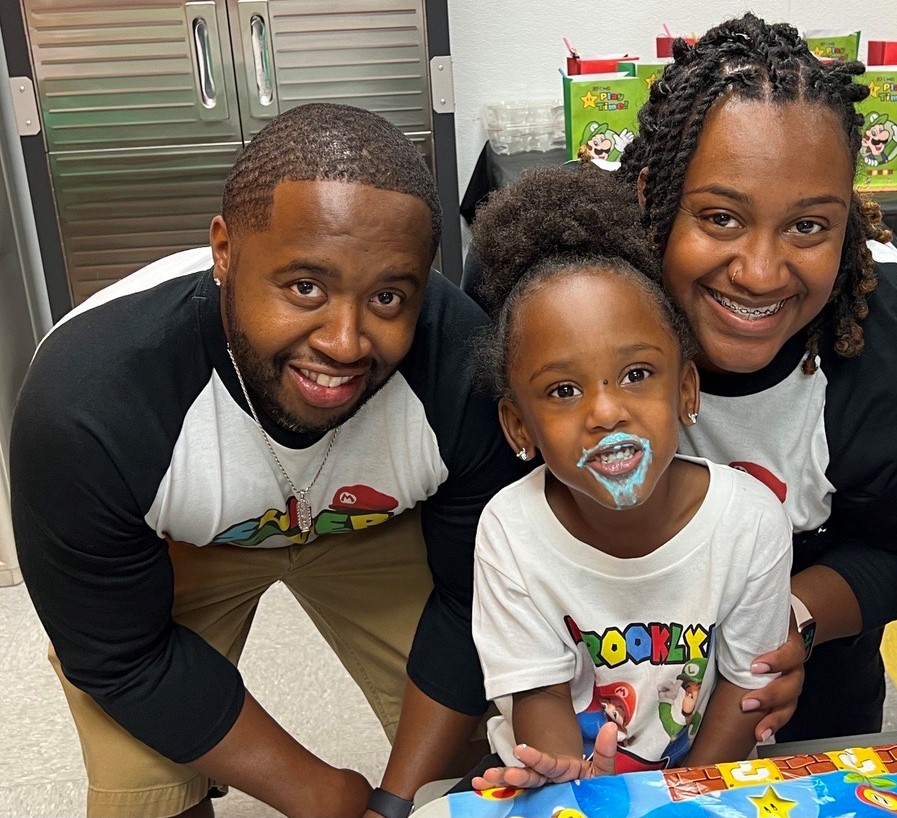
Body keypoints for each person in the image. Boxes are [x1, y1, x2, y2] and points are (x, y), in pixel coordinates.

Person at [10, 103, 524, 818]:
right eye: (304, 287)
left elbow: (476, 597)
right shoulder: (88, 404)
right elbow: (120, 656)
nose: (345, 342)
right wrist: (321, 794)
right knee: (145, 794)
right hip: (185, 543)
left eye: (387, 297)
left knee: (486, 744)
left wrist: (398, 799)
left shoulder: (463, 367)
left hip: (372, 526)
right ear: (223, 251)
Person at [614, 12, 897, 745]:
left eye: (807, 227)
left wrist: (794, 619)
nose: (760, 272)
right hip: (592, 718)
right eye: (719, 218)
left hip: (816, 722)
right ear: (652, 194)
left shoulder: (880, 350)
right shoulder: (569, 309)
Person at [465, 165, 793, 790]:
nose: (606, 412)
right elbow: (540, 703)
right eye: (563, 390)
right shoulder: (511, 531)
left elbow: (744, 696)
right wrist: (574, 782)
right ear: (519, 428)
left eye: (638, 374)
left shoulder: (751, 520)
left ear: (686, 389)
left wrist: (684, 797)